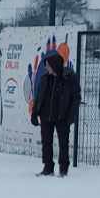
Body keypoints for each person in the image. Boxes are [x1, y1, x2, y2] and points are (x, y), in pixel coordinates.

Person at [31, 47, 78, 177]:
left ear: (54, 65)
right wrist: (35, 113)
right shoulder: (45, 79)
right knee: (46, 142)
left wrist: (71, 116)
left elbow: (75, 98)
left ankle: (63, 169)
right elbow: (38, 97)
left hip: (63, 117)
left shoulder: (69, 78)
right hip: (46, 116)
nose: (46, 68)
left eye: (48, 66)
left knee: (63, 143)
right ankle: (48, 167)